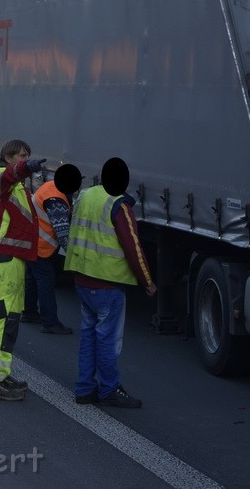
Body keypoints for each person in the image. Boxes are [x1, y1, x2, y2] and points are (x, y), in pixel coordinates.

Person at [65, 157, 156, 408]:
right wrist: (147, 281)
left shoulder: (85, 195)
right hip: (107, 283)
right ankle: (109, 389)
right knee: (107, 339)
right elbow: (132, 246)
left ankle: (84, 389)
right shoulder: (119, 203)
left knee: (88, 335)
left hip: (82, 278)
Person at [0, 138, 47, 401]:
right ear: (8, 157)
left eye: (27, 155)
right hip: (2, 258)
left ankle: (1, 376)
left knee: (10, 322)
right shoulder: (0, 175)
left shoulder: (16, 186)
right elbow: (11, 174)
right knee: (2, 320)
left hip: (12, 259)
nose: (24, 159)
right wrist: (27, 167)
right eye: (20, 155)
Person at [23, 164, 83, 335]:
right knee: (46, 280)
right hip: (40, 246)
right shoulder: (57, 200)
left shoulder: (49, 187)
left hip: (31, 241)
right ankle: (50, 323)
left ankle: (29, 312)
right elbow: (63, 233)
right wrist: (75, 258)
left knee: (32, 278)